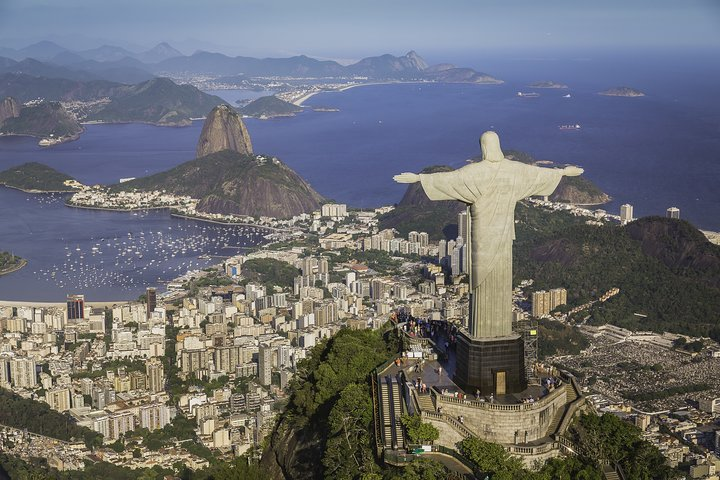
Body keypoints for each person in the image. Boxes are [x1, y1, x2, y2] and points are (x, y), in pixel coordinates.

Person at [394, 131, 582, 338]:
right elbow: (538, 174)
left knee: (484, 277)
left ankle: (484, 333)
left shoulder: (474, 172)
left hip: (482, 236)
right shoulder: (514, 170)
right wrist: (562, 172)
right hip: (502, 234)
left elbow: (449, 180)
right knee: (498, 275)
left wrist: (419, 178)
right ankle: (493, 332)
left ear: (483, 147)